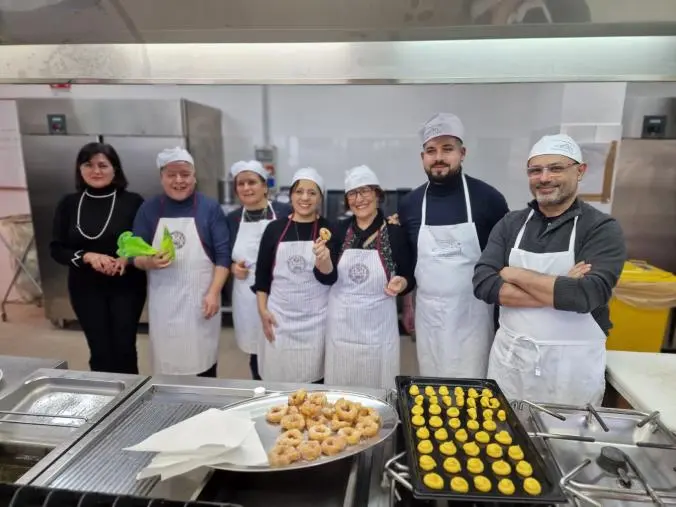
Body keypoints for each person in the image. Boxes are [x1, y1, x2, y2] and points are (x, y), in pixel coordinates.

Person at [473, 134, 626, 405]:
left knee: (566, 444)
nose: (544, 178)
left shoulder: (601, 228)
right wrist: (560, 287)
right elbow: (484, 283)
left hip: (570, 373)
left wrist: (512, 273)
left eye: (556, 168)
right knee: (503, 439)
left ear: (580, 171)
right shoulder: (511, 224)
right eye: (536, 170)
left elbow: (586, 296)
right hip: (511, 364)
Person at [398, 113, 509, 378]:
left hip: (474, 318)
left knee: (474, 393)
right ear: (422, 156)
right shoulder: (410, 204)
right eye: (431, 150)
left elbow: (505, 262)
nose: (438, 157)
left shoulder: (489, 199)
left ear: (462, 153)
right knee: (432, 389)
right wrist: (408, 307)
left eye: (447, 149)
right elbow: (409, 263)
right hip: (429, 317)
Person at [132, 147, 230, 377]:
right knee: (167, 369)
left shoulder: (209, 208)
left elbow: (223, 256)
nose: (179, 181)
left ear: (194, 177)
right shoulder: (149, 209)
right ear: (161, 177)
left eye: (185, 174)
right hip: (164, 305)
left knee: (203, 366)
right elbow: (132, 255)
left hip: (201, 303)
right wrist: (148, 262)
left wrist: (214, 292)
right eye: (171, 175)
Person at [50, 142, 146, 374]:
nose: (96, 171)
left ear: (115, 169)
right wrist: (87, 256)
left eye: (103, 165)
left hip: (126, 285)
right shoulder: (69, 204)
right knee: (99, 348)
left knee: (124, 347)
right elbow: (56, 249)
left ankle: (130, 400)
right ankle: (104, 402)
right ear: (79, 169)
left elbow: (144, 242)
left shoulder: (133, 202)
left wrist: (125, 258)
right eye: (88, 165)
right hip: (85, 288)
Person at [316, 165, 415, 389]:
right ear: (346, 200)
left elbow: (409, 275)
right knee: (341, 389)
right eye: (353, 193)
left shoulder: (394, 232)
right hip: (342, 327)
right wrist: (322, 262)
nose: (359, 199)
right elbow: (326, 278)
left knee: (378, 387)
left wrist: (402, 283)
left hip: (379, 328)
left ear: (378, 195)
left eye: (366, 191)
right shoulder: (337, 230)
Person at [252, 168, 333, 383]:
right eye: (299, 192)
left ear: (320, 198)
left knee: (314, 386)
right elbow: (262, 277)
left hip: (317, 322)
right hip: (280, 320)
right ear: (291, 195)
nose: (305, 198)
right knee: (277, 383)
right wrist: (262, 311)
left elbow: (330, 278)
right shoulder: (274, 229)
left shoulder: (329, 230)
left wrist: (324, 261)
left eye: (312, 193)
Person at [226, 160, 291, 380]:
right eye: (241, 184)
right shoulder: (232, 219)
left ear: (265, 186)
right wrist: (233, 267)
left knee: (283, 344)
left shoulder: (284, 213)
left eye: (252, 182)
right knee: (256, 349)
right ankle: (260, 390)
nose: (246, 188)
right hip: (247, 294)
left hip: (280, 290)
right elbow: (221, 254)